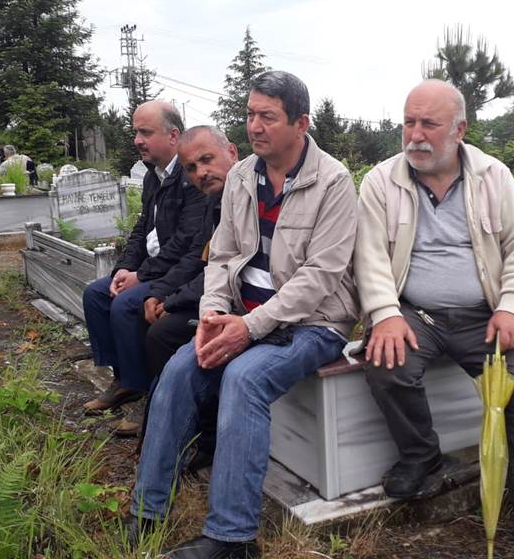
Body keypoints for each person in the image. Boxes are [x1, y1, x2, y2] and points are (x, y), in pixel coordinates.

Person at [126, 70, 359, 558]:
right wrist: (213, 312)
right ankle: (147, 509)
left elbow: (320, 276)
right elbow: (222, 256)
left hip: (312, 323)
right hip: (239, 314)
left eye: (267, 116)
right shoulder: (241, 176)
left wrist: (249, 329)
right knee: (179, 368)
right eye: (251, 114)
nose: (254, 126)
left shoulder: (333, 182)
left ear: (300, 123)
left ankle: (232, 538)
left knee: (243, 378)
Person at [353, 79, 514, 559]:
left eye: (429, 124)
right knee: (387, 364)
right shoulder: (381, 181)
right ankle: (422, 456)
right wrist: (385, 313)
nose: (415, 135)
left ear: (459, 130)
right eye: (408, 122)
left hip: (483, 316)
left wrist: (512, 304)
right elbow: (368, 256)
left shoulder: (493, 176)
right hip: (414, 312)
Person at [111, 125, 237, 458]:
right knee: (148, 316)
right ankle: (163, 414)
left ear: (232, 153)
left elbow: (226, 267)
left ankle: (200, 433)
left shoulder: (242, 198)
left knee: (164, 333)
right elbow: (200, 254)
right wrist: (161, 292)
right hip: (211, 291)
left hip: (237, 299)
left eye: (207, 160)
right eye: (192, 168)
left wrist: (174, 299)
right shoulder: (214, 199)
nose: (201, 173)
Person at [81, 101, 206, 416]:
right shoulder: (154, 176)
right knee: (96, 294)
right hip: (152, 268)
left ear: (173, 135)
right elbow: (142, 229)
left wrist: (142, 275)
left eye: (146, 133)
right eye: (136, 132)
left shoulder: (190, 176)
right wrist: (124, 268)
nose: (137, 140)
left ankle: (144, 390)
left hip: (178, 272)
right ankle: (124, 378)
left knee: (125, 305)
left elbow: (185, 242)